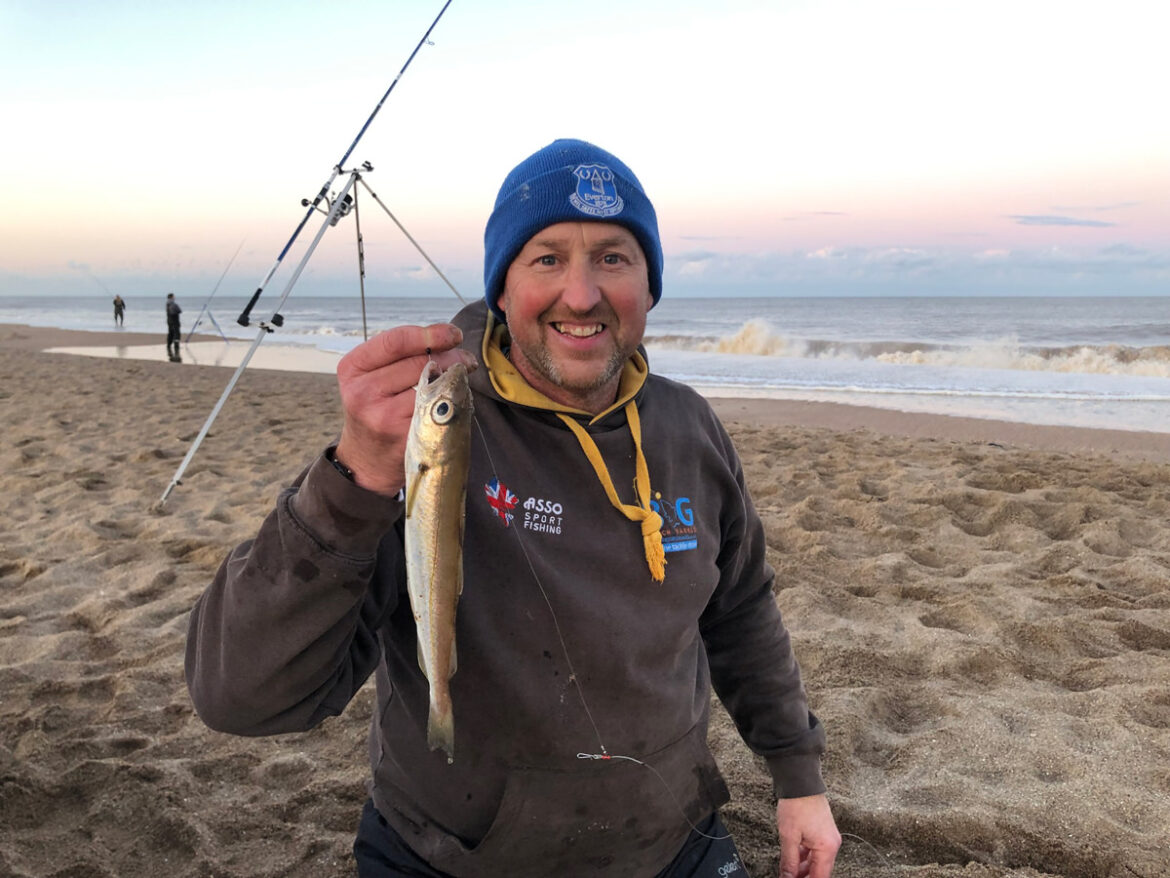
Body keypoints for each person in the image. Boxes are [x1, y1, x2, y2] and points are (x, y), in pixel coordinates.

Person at [185, 139, 840, 878]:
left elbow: (741, 608)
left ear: (650, 287)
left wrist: (797, 776)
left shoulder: (691, 427)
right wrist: (352, 480)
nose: (583, 294)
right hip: (450, 855)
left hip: (668, 838)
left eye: (615, 258)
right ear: (502, 288)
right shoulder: (423, 430)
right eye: (548, 258)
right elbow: (239, 697)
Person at [165, 293, 182, 360]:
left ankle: (169, 346)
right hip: (174, 322)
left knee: (171, 334)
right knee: (176, 335)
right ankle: (176, 349)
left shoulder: (167, 304)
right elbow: (179, 311)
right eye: (173, 297)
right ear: (171, 297)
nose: (174, 298)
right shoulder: (173, 304)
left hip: (169, 322)